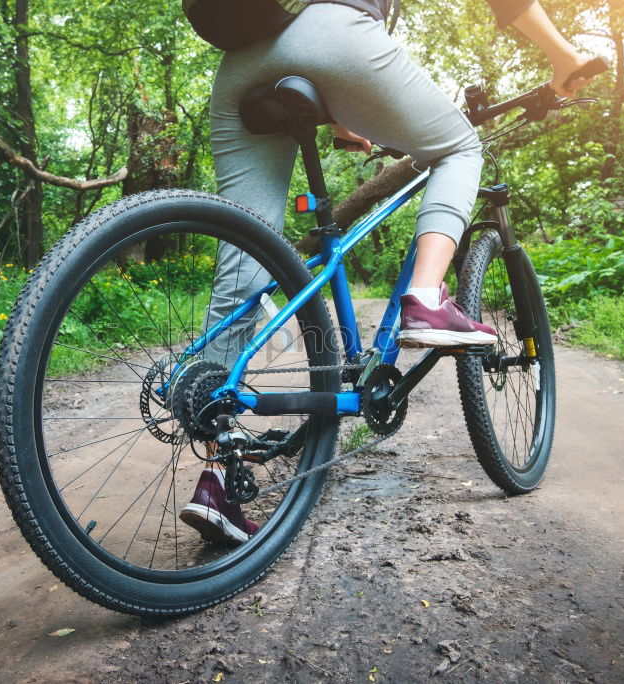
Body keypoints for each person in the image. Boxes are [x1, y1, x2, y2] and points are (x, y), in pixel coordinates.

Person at [180, 0, 597, 543]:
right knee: (457, 149)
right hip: (330, 37)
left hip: (239, 66)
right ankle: (425, 296)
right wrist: (564, 57)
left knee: (243, 265)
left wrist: (337, 114)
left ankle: (215, 473)